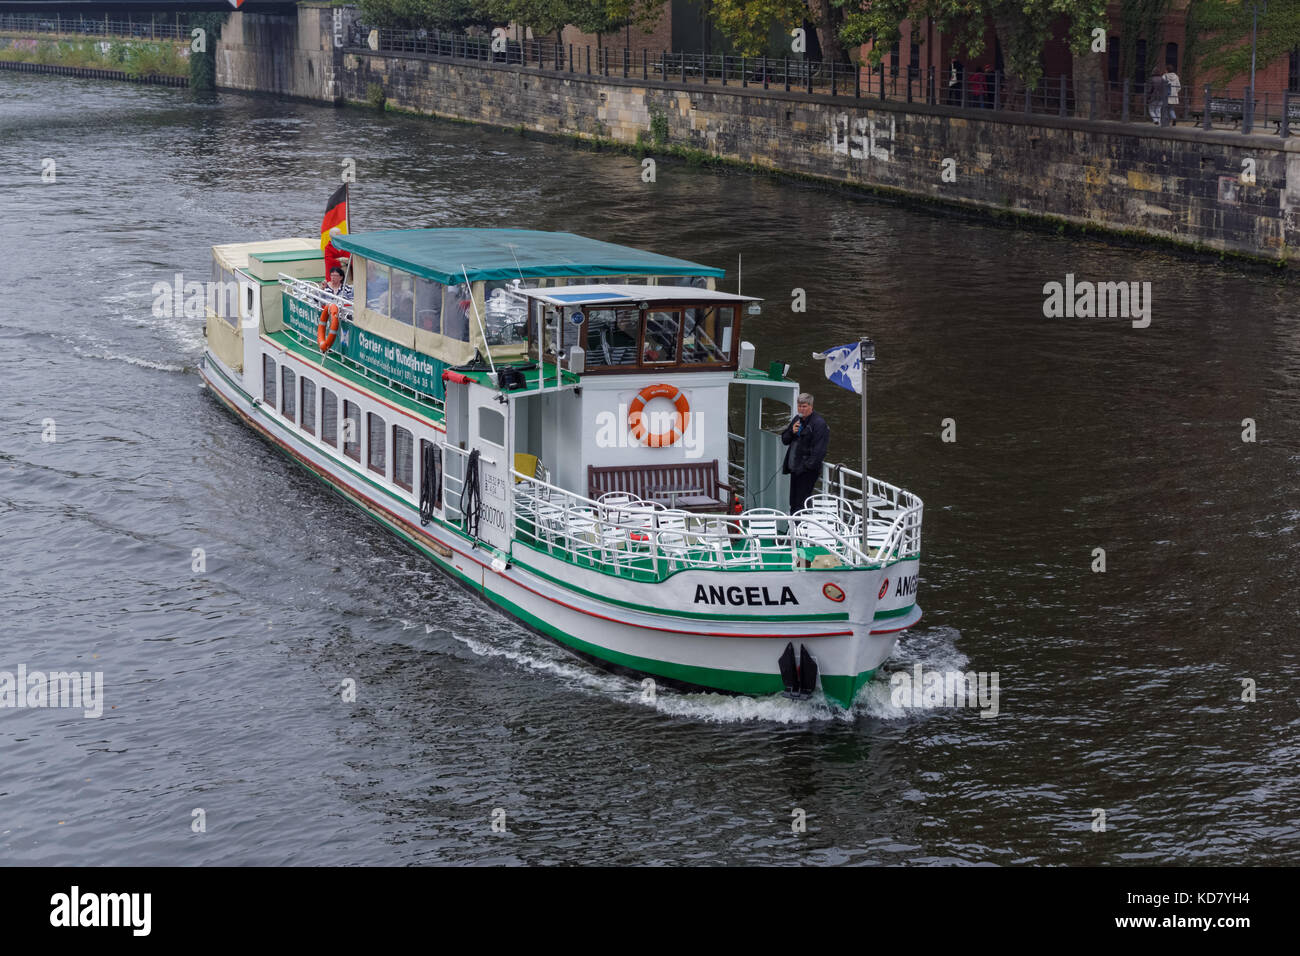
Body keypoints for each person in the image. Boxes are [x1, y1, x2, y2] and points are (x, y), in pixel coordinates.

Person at [781, 393, 830, 514]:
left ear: (811, 406)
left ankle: (802, 528)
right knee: (793, 501)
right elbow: (785, 440)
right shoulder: (797, 420)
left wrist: (806, 466)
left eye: (804, 406)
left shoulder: (819, 424)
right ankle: (793, 527)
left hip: (807, 471)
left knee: (802, 502)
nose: (801, 409)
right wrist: (792, 432)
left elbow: (819, 451)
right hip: (795, 468)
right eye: (799, 406)